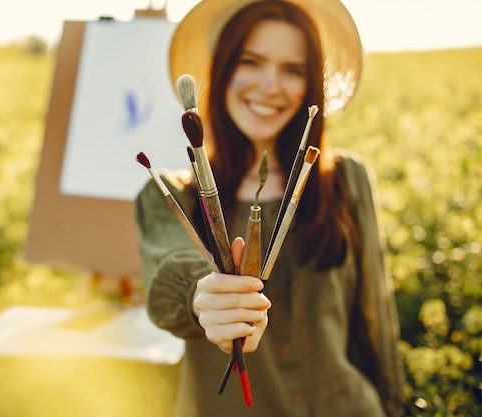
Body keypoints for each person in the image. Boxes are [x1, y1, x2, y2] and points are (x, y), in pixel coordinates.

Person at [135, 0, 405, 416]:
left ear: (311, 85)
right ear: (223, 68)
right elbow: (171, 276)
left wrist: (394, 406)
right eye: (251, 61)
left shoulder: (347, 179)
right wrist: (204, 300)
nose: (269, 85)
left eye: (293, 70)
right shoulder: (170, 194)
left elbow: (375, 325)